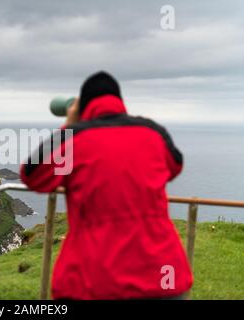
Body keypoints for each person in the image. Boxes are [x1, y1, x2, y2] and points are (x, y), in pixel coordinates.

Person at [20, 71, 193, 300]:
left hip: (97, 282)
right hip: (164, 277)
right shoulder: (152, 133)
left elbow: (33, 175)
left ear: (82, 107)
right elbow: (175, 165)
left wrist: (70, 126)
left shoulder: (75, 140)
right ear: (120, 101)